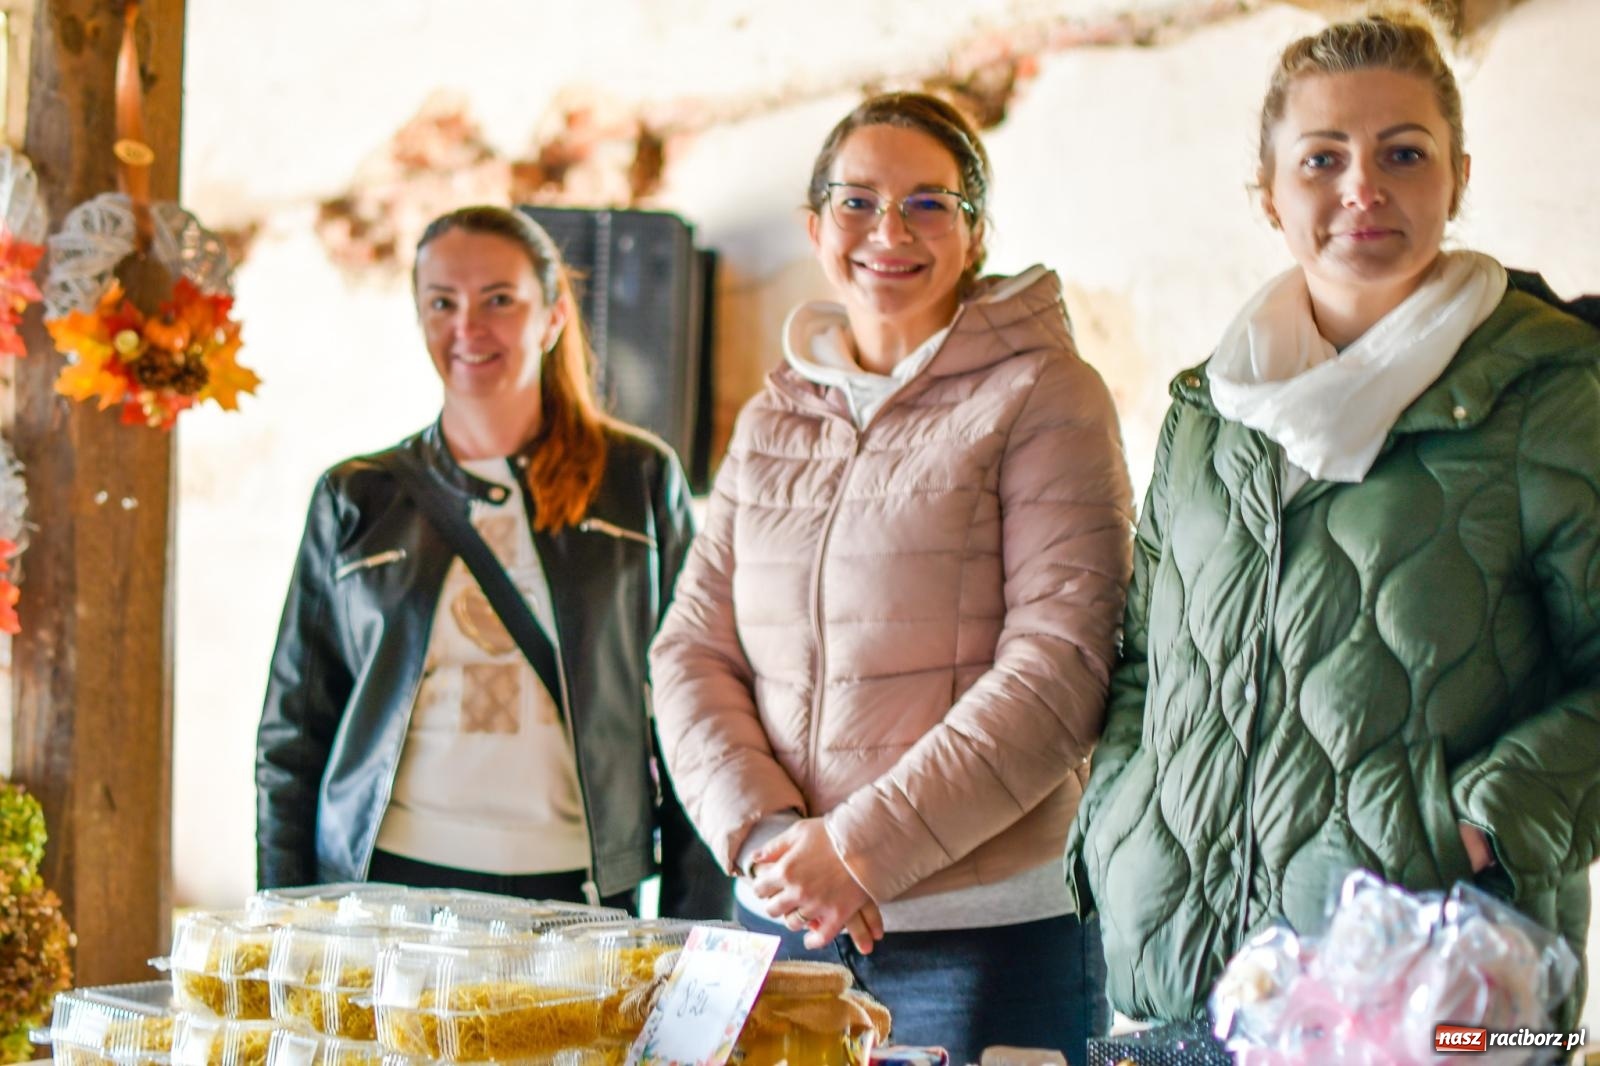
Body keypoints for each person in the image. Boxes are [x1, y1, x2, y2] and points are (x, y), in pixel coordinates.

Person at [1064, 9, 1600, 1026]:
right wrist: (1120, 816)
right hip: (1190, 974)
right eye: (1321, 158)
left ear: (1457, 176)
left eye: (1404, 152)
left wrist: (1482, 821)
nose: (1363, 188)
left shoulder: (1555, 392)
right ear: (1267, 195)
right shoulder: (1203, 411)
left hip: (1434, 982)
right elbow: (1142, 659)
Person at [650, 92, 1133, 1063]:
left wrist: (858, 849)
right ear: (815, 224)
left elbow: (1062, 664)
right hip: (784, 926)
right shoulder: (773, 416)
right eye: (858, 200)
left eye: (927, 203)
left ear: (975, 231)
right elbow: (691, 650)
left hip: (985, 933)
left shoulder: (1045, 392)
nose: (889, 231)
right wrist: (772, 843)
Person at [256, 205, 728, 919]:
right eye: (442, 302)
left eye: (499, 300)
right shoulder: (357, 495)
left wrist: (696, 931)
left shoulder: (637, 481)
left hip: (577, 893)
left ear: (553, 317)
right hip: (385, 887)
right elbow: (293, 733)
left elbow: (700, 711)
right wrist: (280, 925)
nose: (467, 328)